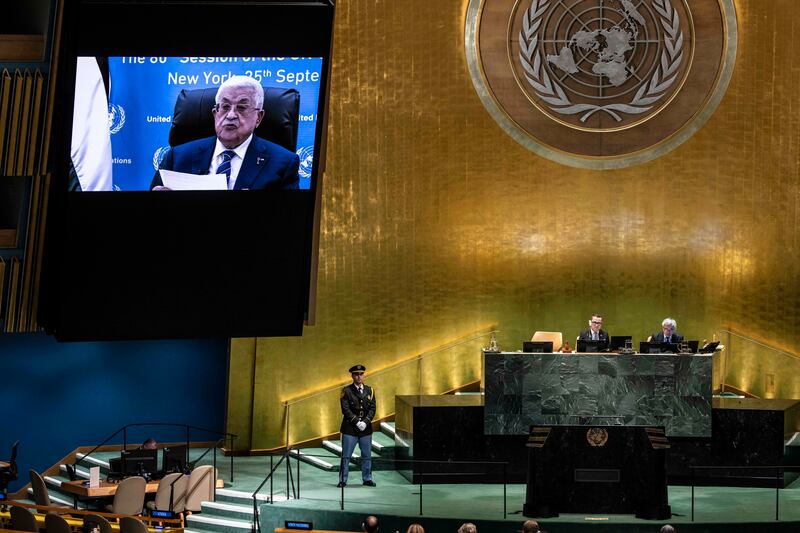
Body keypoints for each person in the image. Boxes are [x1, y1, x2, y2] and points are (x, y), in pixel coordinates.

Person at [151, 75, 299, 190]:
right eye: (225, 107)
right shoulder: (176, 158)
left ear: (258, 118)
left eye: (241, 107)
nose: (231, 115)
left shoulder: (283, 164)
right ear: (215, 113)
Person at [338, 364, 377, 488]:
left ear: (364, 375)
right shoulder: (347, 390)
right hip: (350, 428)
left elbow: (372, 408)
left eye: (361, 374)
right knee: (346, 455)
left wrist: (365, 422)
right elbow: (345, 409)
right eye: (356, 374)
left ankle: (367, 478)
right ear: (352, 376)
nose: (359, 377)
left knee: (366, 455)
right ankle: (343, 480)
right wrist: (356, 421)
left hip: (365, 429)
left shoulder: (370, 390)